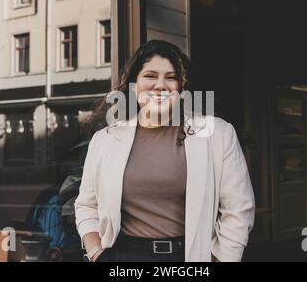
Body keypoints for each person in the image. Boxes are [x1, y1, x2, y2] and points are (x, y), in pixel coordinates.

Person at [74, 40, 255, 262]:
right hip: (124, 258)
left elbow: (238, 210)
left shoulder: (216, 133)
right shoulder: (105, 140)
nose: (161, 85)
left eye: (171, 77)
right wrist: (96, 254)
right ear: (134, 84)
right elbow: (86, 205)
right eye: (150, 76)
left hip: (189, 258)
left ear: (181, 86)